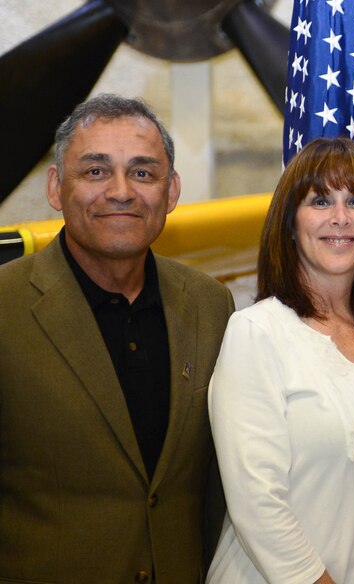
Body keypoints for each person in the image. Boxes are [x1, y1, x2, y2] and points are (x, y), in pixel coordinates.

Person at [0, 94, 234, 582]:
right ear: (54, 186)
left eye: (143, 173)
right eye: (95, 172)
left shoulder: (211, 306)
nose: (121, 191)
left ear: (170, 193)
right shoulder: (6, 306)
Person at [206, 137, 354, 584]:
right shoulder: (258, 333)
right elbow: (258, 502)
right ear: (290, 224)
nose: (340, 217)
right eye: (319, 200)